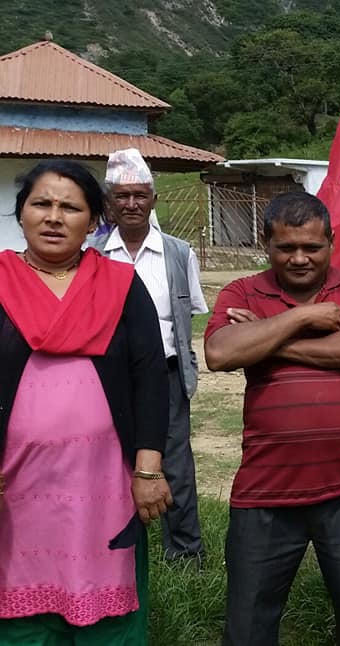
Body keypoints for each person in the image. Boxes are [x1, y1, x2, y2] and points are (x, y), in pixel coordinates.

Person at [204, 191, 340, 646]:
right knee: (247, 629)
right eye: (286, 247)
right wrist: (306, 316)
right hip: (265, 492)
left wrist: (268, 340)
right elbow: (220, 352)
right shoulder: (242, 291)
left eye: (312, 246)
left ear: (332, 242)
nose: (300, 258)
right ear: (266, 243)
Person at [0, 159, 172, 642]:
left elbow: (150, 376)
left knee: (106, 604)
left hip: (104, 480)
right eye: (41, 204)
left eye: (70, 208)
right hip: (15, 483)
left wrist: (149, 470)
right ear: (21, 213)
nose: (54, 217)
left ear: (94, 220)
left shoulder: (119, 285)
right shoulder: (0, 281)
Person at [92, 148, 209, 566]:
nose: (131, 204)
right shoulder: (93, 254)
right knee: (109, 460)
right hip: (108, 376)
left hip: (167, 374)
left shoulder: (179, 253)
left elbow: (188, 314)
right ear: (108, 203)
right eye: (121, 196)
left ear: (153, 200)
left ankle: (185, 552)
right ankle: (113, 549)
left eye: (140, 195)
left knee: (175, 462)